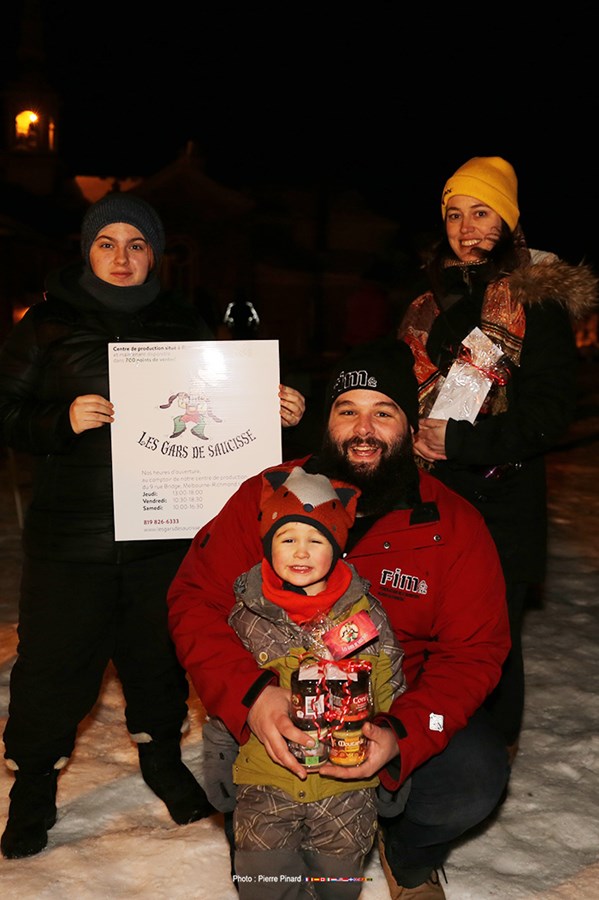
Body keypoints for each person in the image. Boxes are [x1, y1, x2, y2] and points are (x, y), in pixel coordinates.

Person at [0, 192, 306, 860]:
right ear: (85, 250)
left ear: (154, 255)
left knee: (159, 654)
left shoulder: (182, 321)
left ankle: (161, 759)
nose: (121, 256)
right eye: (106, 242)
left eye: (136, 244)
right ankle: (33, 786)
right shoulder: (46, 326)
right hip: (71, 535)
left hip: (165, 531)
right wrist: (59, 420)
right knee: (54, 664)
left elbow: (217, 406)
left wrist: (269, 407)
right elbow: (6, 412)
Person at [168, 339, 511, 899]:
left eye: (384, 411)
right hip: (275, 718)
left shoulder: (453, 523)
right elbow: (193, 600)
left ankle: (405, 851)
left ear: (410, 422)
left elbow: (475, 651)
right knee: (269, 874)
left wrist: (401, 733)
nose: (363, 428)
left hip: (400, 707)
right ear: (326, 421)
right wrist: (251, 697)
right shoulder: (265, 495)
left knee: (472, 778)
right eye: (347, 409)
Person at [398, 156, 598, 761]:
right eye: (455, 214)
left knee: (490, 647)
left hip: (499, 500)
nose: (465, 227)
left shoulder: (535, 302)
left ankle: (487, 764)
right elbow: (391, 384)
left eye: (481, 212)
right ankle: (423, 753)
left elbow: (547, 413)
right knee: (424, 641)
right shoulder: (424, 306)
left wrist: (460, 442)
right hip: (427, 497)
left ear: (508, 221)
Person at [204, 465, 405, 898]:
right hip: (266, 781)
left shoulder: (367, 618)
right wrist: (220, 750)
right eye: (287, 539)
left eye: (316, 540)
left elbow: (390, 688)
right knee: (265, 884)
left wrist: (392, 764)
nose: (300, 552)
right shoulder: (245, 617)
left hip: (345, 786)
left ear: (337, 548)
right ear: (267, 546)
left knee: (337, 885)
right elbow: (226, 691)